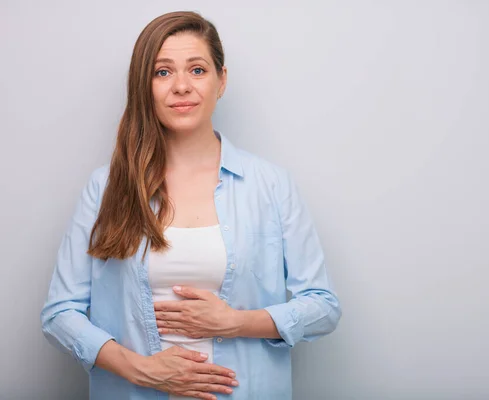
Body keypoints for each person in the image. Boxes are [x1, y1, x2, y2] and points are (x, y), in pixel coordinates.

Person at [40, 10, 341, 400]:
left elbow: (323, 307)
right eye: (162, 72)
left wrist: (236, 322)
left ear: (222, 80)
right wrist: (144, 371)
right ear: (143, 86)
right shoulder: (106, 188)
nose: (181, 86)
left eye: (197, 70)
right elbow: (60, 314)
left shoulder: (271, 185)